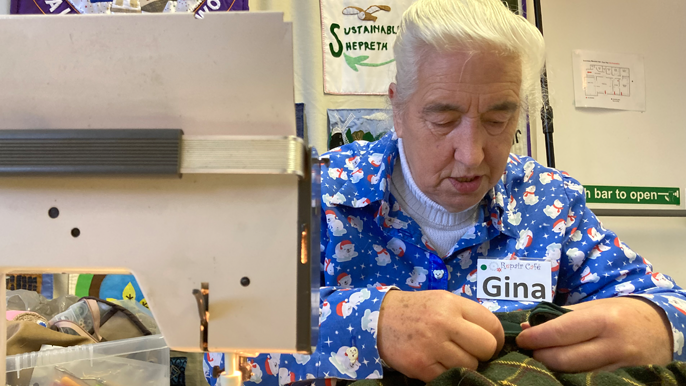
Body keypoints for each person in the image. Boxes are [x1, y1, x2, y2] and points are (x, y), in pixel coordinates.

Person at [245, 0, 686, 384]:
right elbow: (226, 339)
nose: (472, 155)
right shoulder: (318, 191)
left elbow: (672, 302)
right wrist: (372, 324)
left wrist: (659, 325)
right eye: (443, 119)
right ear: (398, 109)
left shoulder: (548, 202)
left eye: (498, 120)